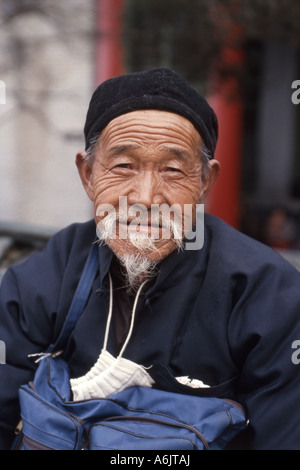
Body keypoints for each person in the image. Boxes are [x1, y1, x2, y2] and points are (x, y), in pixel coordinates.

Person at [1, 67, 300, 450]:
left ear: (204, 182)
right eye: (123, 166)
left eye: (173, 170)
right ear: (88, 174)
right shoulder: (47, 274)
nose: (144, 198)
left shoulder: (266, 293)